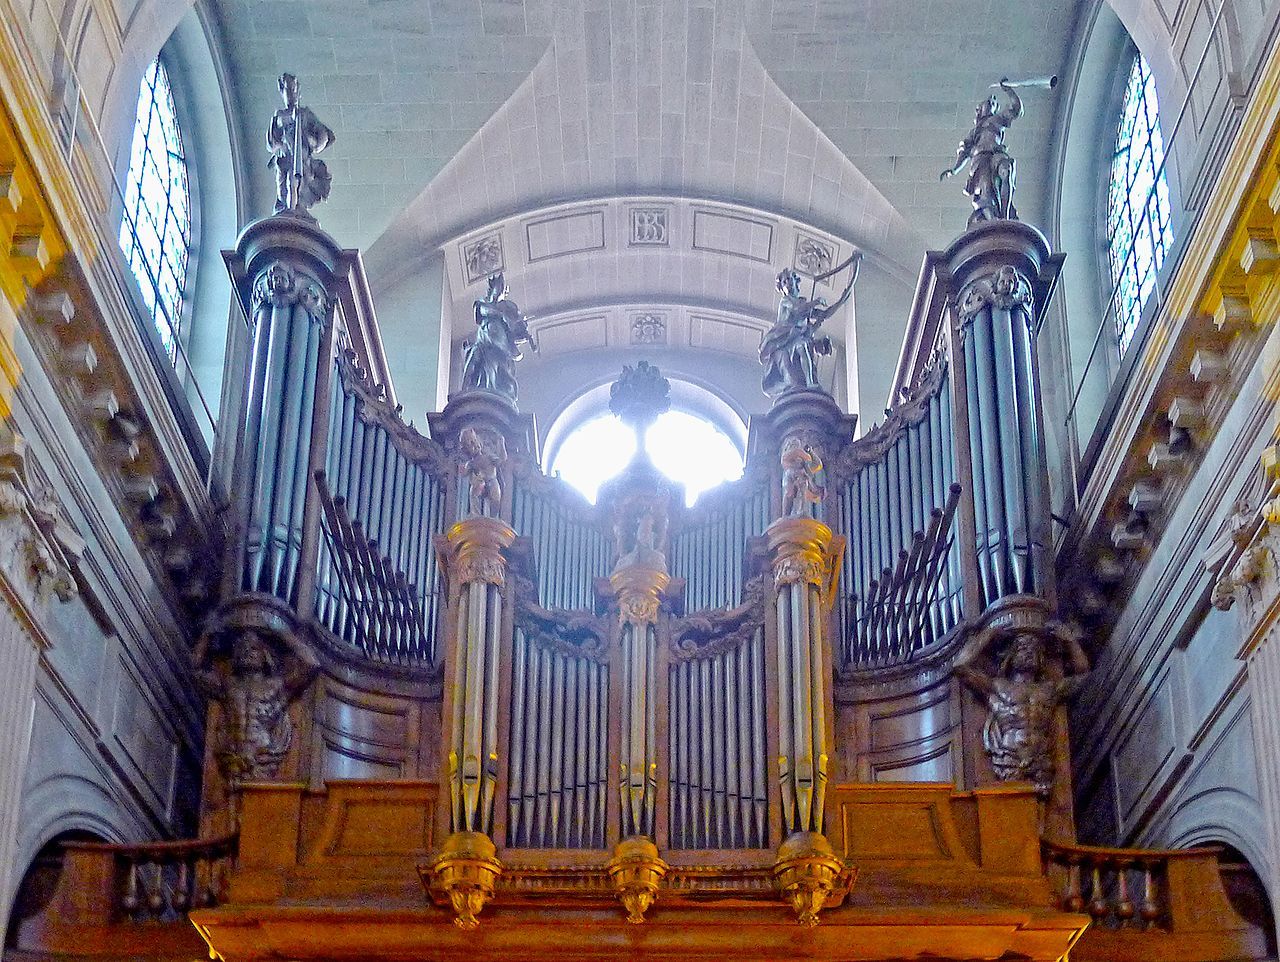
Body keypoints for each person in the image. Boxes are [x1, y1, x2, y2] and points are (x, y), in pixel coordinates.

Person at [955, 623, 1090, 796]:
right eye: (1023, 648)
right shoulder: (998, 687)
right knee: (1014, 808)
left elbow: (1083, 674)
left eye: (1034, 649)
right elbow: (960, 667)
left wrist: (1070, 641)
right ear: (1012, 656)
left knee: (1043, 816)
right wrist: (987, 635)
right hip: (1009, 756)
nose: (1029, 653)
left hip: (1041, 758)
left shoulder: (1049, 689)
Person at [759, 261, 857, 398]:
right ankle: (808, 384)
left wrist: (841, 301)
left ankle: (811, 383)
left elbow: (824, 314)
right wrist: (815, 302)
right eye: (784, 282)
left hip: (797, 338)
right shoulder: (786, 301)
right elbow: (798, 309)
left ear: (795, 281)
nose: (788, 283)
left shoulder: (803, 303)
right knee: (801, 346)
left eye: (789, 279)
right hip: (782, 340)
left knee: (803, 345)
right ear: (782, 288)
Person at [940, 80, 1023, 226]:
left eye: (994, 103)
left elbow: (1017, 109)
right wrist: (954, 169)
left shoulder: (998, 119)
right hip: (980, 159)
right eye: (989, 102)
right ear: (980, 109)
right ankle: (993, 221)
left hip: (997, 153)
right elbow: (964, 151)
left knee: (1006, 169)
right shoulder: (974, 131)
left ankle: (1005, 213)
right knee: (985, 193)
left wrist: (1008, 90)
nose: (992, 103)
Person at [267, 73, 336, 216]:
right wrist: (282, 139)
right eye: (287, 91)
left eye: (293, 90)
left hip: (302, 158)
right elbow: (271, 144)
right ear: (282, 92)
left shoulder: (304, 114)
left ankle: (295, 211)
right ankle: (287, 211)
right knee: (283, 190)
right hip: (284, 158)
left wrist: (312, 141)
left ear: (297, 92)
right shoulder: (279, 115)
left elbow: (322, 135)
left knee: (297, 185)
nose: (291, 94)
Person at [460, 273, 535, 402]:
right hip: (483, 343)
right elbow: (483, 311)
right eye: (496, 287)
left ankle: (490, 395)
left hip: (499, 346)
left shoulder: (509, 307)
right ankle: (464, 394)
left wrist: (523, 330)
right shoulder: (482, 303)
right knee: (472, 364)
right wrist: (502, 315)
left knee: (494, 373)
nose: (498, 291)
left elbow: (515, 329)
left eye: (501, 288)